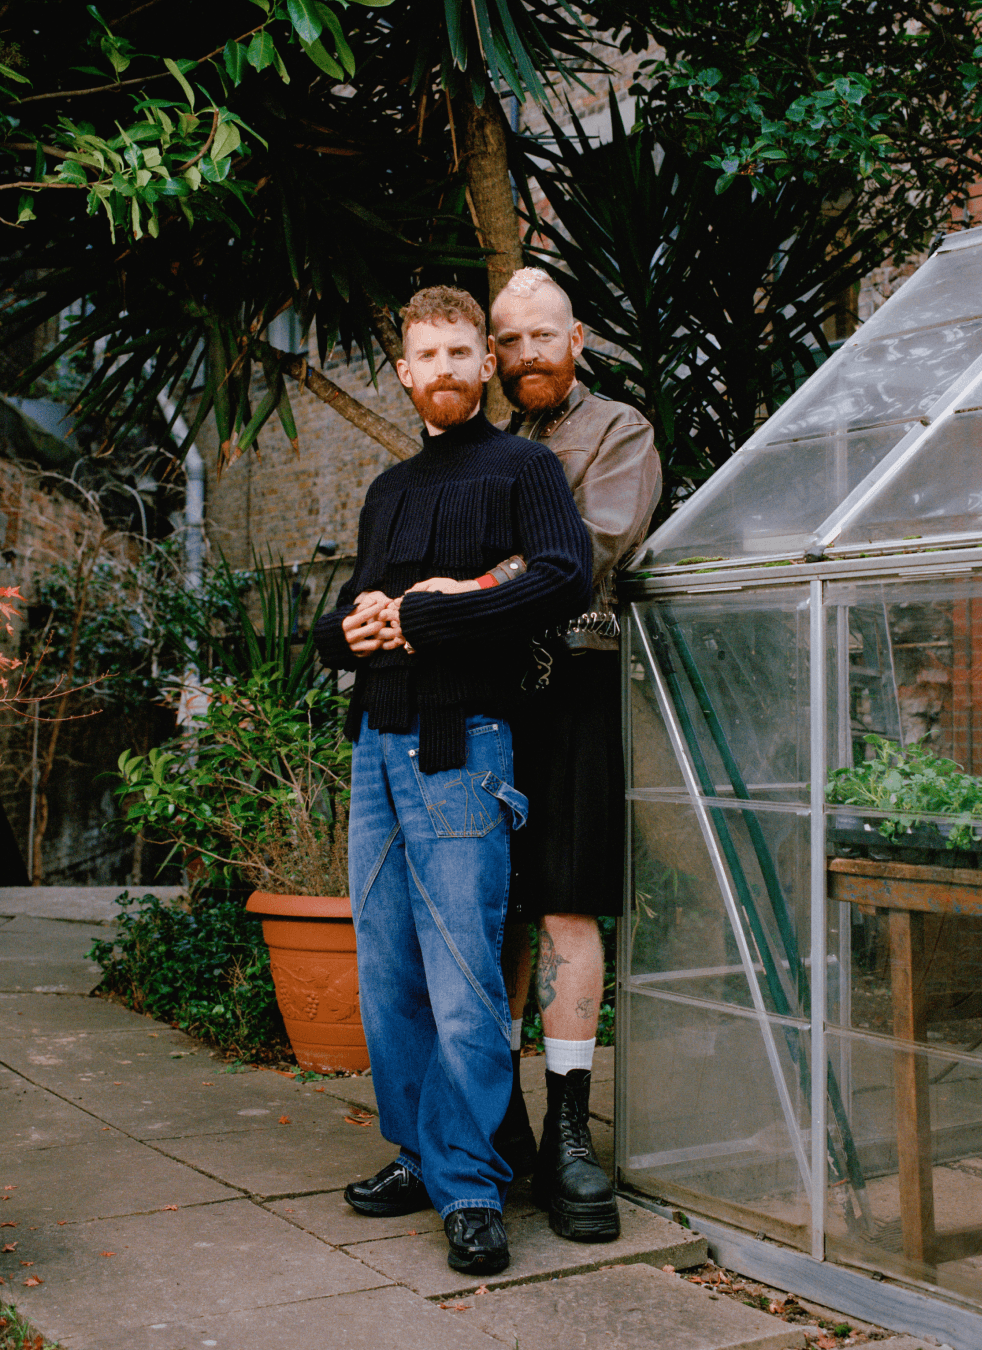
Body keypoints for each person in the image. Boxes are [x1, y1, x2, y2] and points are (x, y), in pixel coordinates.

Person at [313, 284, 592, 1278]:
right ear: (403, 370)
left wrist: (425, 620)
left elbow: (567, 575)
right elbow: (348, 604)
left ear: (483, 365)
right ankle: (423, 1157)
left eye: (458, 354)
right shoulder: (390, 488)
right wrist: (345, 629)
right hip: (376, 746)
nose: (441, 371)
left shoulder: (525, 468)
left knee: (468, 975)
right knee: (389, 976)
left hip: (465, 745)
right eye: (423, 356)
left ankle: (472, 1186)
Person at [489, 267, 662, 1243]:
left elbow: (585, 554)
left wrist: (477, 576)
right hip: (487, 703)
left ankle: (567, 1133)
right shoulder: (494, 448)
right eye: (508, 344)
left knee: (560, 900)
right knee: (488, 903)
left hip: (579, 689)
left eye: (540, 337)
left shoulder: (618, 432)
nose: (526, 357)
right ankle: (491, 1125)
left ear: (577, 337)